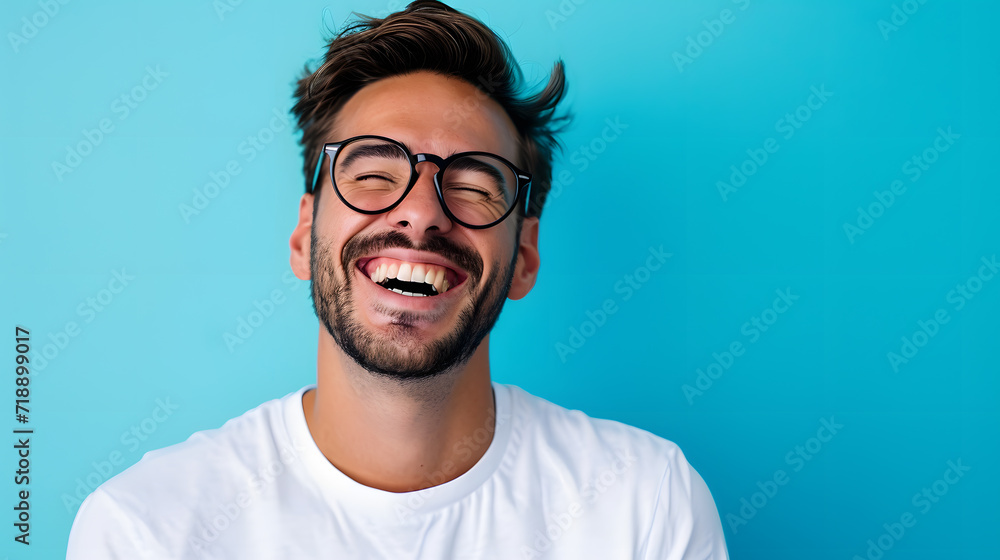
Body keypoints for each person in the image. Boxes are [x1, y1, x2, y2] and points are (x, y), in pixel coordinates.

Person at [67, 1, 730, 557]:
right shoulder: (143, 530)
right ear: (304, 237)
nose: (419, 212)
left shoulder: (644, 504)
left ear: (524, 256)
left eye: (471, 185)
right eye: (372, 173)